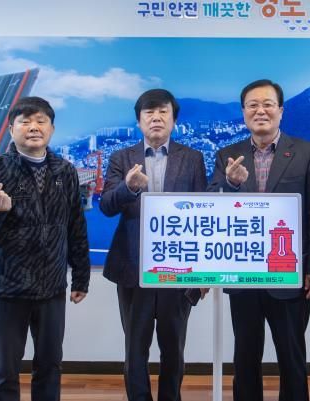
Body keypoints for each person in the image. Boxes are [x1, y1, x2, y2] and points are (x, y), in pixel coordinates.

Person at [207, 79, 310, 401]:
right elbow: (212, 206)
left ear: (281, 111)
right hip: (243, 272)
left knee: (292, 355)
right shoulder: (227, 155)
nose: (260, 111)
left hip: (288, 272)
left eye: (267, 104)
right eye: (253, 105)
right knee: (245, 356)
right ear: (243, 112)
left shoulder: (307, 153)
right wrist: (232, 184)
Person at [0, 96, 91, 401]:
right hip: (5, 289)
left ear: (51, 128)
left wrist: (81, 278)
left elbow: (76, 226)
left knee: (50, 366)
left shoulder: (65, 171)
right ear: (12, 130)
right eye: (25, 122)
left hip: (51, 288)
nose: (33, 127)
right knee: (5, 371)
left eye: (40, 121)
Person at [100, 89, 208, 401]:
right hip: (133, 268)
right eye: (149, 113)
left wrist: (202, 274)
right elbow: (106, 206)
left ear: (174, 120)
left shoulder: (193, 158)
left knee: (174, 347)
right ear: (139, 121)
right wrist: (128, 188)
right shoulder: (122, 158)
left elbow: (203, 214)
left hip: (180, 269)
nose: (156, 118)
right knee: (135, 349)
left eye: (163, 112)